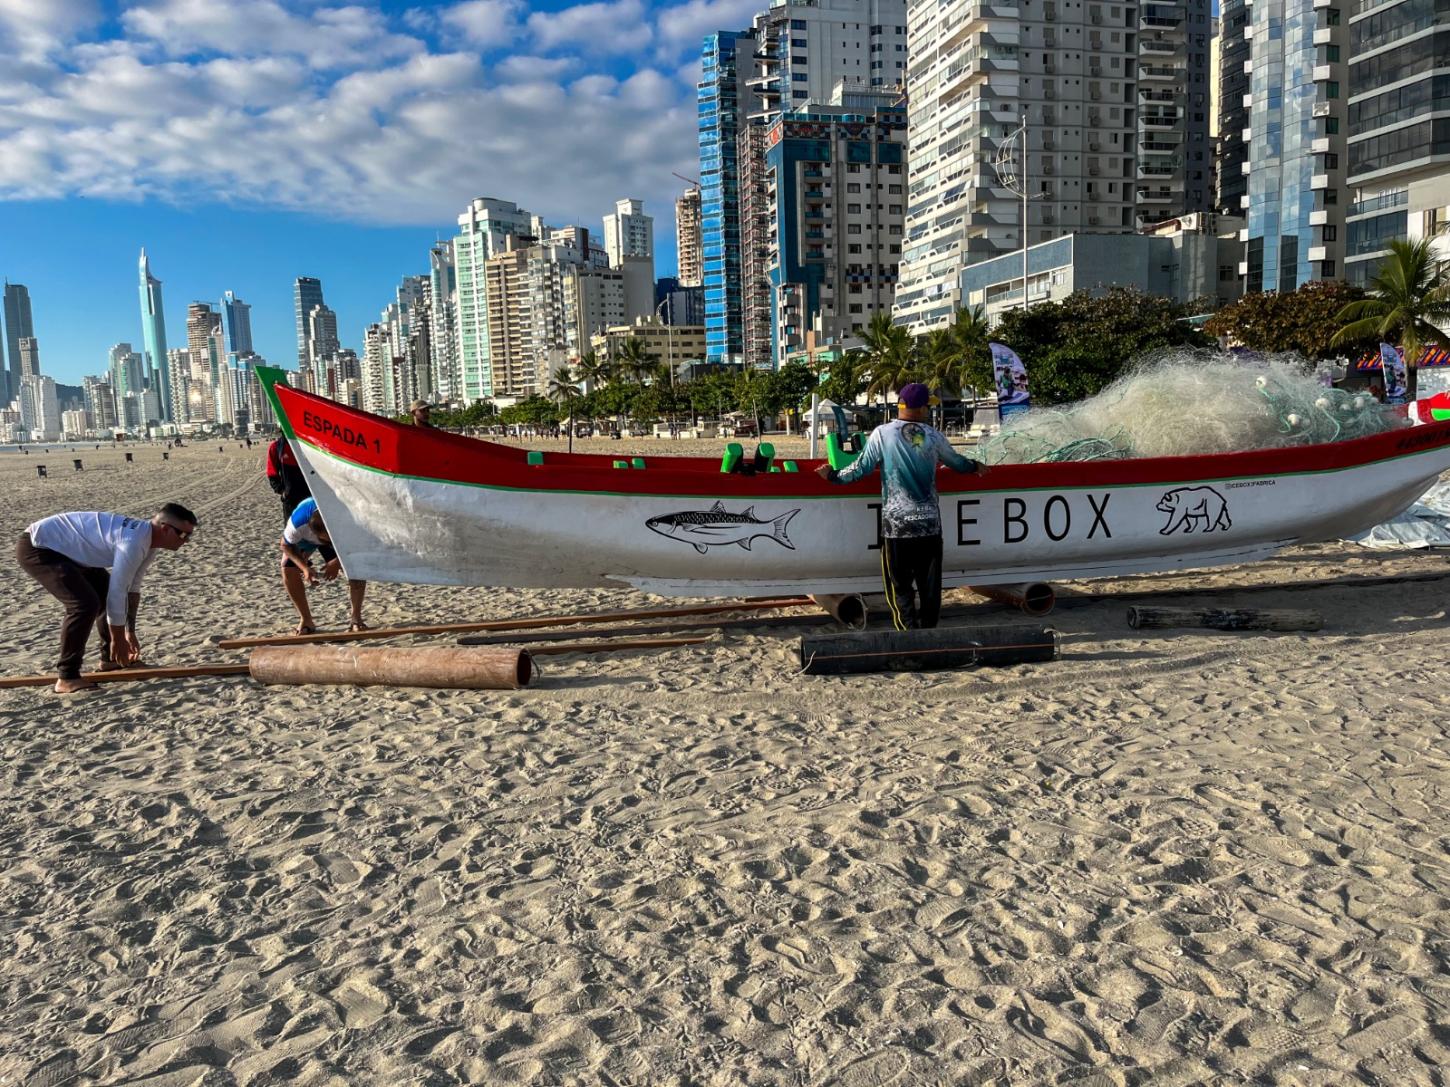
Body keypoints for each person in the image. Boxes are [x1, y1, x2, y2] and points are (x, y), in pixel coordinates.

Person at [817, 383, 988, 630]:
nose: (929, 411)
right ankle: (929, 631)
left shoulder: (883, 434)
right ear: (917, 409)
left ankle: (907, 633)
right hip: (929, 525)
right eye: (927, 407)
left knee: (900, 587)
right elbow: (958, 464)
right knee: (930, 588)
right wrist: (976, 466)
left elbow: (860, 469)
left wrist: (832, 476)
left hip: (897, 527)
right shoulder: (933, 436)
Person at [16, 503, 198, 693]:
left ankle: (110, 660)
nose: (186, 541)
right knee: (84, 604)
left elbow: (132, 589)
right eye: (184, 535)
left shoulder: (149, 543)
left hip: (72, 551)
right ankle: (67, 677)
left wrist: (129, 631)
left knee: (102, 594)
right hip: (39, 546)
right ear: (166, 529)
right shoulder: (133, 542)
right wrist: (118, 639)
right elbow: (118, 592)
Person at [280, 497, 366, 635]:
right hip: (306, 541)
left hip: (338, 540)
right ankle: (306, 620)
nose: (323, 542)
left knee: (355, 567)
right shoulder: (297, 524)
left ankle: (356, 619)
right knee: (287, 569)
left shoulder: (345, 517)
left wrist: (337, 562)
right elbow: (284, 545)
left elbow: (360, 545)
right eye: (322, 539)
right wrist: (304, 568)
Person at [266, 436, 310, 516]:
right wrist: (282, 491)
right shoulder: (276, 447)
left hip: (311, 498)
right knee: (292, 527)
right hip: (290, 500)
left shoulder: (309, 445)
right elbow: (272, 473)